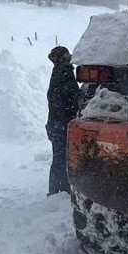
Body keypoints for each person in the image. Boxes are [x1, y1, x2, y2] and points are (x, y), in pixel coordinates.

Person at [46, 45, 80, 195]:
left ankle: (57, 190)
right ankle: (60, 190)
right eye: (67, 55)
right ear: (62, 58)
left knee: (59, 158)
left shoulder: (57, 72)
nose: (70, 57)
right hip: (62, 124)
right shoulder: (65, 72)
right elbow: (70, 97)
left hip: (56, 123)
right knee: (62, 159)